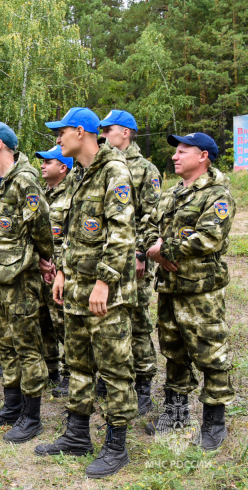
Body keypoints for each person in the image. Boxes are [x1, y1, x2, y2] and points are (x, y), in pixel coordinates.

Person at [37, 107, 137, 479]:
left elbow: (122, 233)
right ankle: (77, 434)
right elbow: (74, 231)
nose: (57, 140)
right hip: (76, 289)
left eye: (60, 132)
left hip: (103, 294)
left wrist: (104, 282)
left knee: (113, 368)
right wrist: (62, 270)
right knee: (78, 364)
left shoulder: (115, 170)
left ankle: (116, 445)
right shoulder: (79, 174)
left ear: (81, 132)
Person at [143, 132, 234, 451]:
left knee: (210, 354)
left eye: (184, 151)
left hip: (200, 292)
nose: (175, 156)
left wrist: (164, 249)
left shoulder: (217, 193)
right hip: (169, 288)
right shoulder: (172, 194)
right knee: (174, 352)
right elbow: (149, 226)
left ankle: (214, 423)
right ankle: (177, 414)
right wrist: (154, 248)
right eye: (175, 151)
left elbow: (210, 238)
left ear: (203, 157)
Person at [0, 122, 53, 443]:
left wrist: (45, 258)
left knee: (26, 346)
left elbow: (41, 225)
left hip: (21, 279)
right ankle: (12, 405)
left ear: (0, 145)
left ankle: (32, 416)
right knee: (5, 343)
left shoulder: (24, 181)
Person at [99, 110, 161, 414]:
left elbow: (152, 216)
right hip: (106, 261)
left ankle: (144, 385)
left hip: (132, 261)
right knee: (108, 322)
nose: (103, 135)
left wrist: (140, 254)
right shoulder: (103, 166)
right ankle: (110, 378)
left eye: (108, 130)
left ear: (125, 132)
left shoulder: (145, 169)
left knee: (137, 322)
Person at [35, 146, 74, 398]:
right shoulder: (42, 195)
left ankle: (72, 373)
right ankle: (51, 368)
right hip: (41, 270)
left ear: (63, 167)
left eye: (48, 162)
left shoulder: (73, 194)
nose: (42, 165)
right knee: (44, 321)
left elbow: (72, 235)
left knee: (66, 324)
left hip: (63, 272)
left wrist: (57, 265)